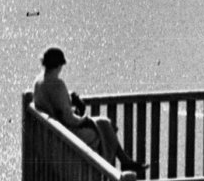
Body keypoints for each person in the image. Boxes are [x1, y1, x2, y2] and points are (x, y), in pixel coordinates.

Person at [32, 46, 140, 174]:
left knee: (104, 123)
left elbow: (55, 102)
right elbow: (69, 119)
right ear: (59, 65)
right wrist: (84, 120)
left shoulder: (39, 81)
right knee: (103, 128)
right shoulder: (57, 84)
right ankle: (118, 165)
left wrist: (70, 97)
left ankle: (125, 161)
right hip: (67, 134)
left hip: (52, 133)